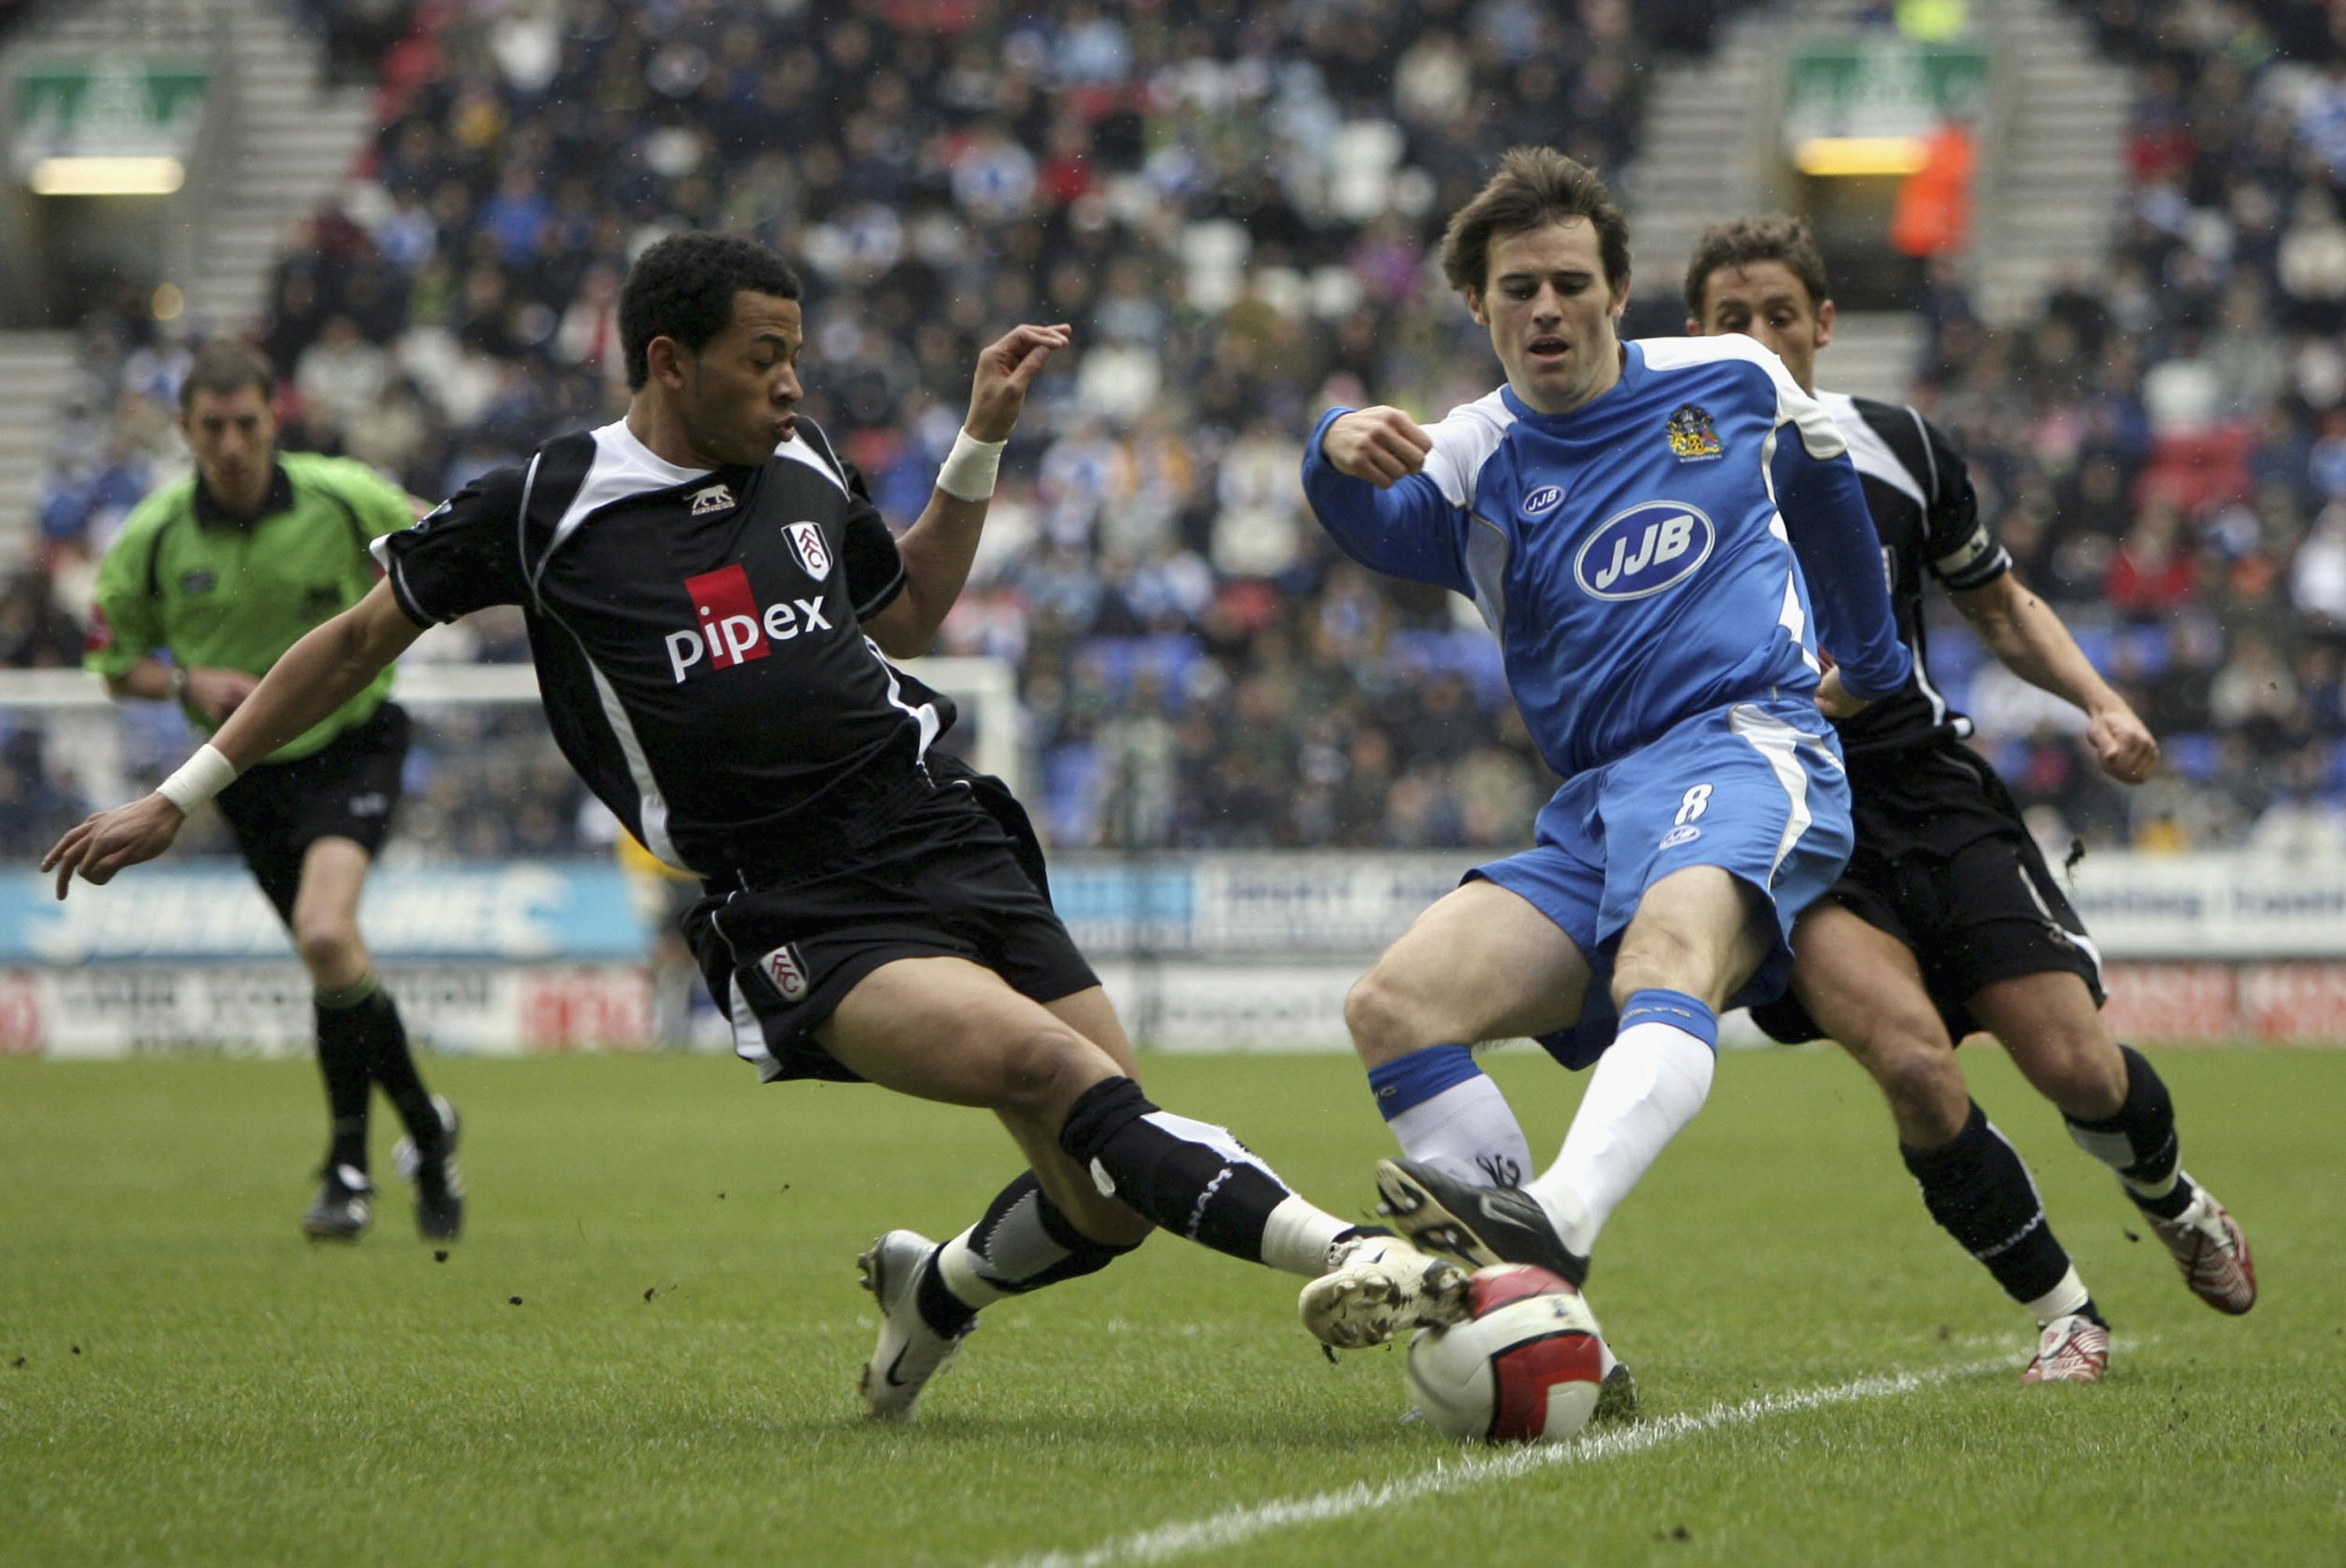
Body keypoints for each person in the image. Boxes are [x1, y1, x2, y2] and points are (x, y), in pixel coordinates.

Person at [45, 231, 1464, 1422]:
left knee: (1108, 1197)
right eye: (762, 357)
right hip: (798, 904)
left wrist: (980, 439)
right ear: (669, 361)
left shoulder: (801, 459)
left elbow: (906, 612)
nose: (791, 384)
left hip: (944, 826)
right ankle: (1359, 1255)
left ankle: (938, 1290)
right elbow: (354, 643)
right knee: (1053, 1074)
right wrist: (178, 799)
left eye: (797, 355)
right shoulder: (544, 504)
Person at [1296, 149, 1912, 1376]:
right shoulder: (1473, 454)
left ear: (1618, 292)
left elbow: (1824, 477)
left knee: (1662, 958)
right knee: (1396, 1006)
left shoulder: (1731, 376)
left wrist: (1876, 660)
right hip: (1595, 804)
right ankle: (1532, 1321)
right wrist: (1331, 445)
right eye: (1516, 288)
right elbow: (1374, 524)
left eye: (1570, 283)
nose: (1545, 310)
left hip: (1742, 742)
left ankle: (1554, 1230)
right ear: (1477, 306)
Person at [1683, 213, 2255, 1382]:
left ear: (1824, 326)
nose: (1756, 335)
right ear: (1693, 336)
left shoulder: (1897, 444)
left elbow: (1998, 605)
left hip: (1928, 791)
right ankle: (2066, 1314)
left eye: (1778, 314)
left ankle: (2169, 1194)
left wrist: (2100, 701)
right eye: (1730, 319)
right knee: (1912, 1065)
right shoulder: (1658, 477)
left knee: (2080, 1071)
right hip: (1787, 820)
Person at [80, 339, 461, 1244]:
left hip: (354, 743)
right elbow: (112, 659)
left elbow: (446, 541)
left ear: (272, 419)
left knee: (324, 932)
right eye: (212, 427)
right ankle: (428, 1129)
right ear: (184, 430)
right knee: (334, 958)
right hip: (245, 771)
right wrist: (184, 682)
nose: (233, 443)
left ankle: (346, 1169)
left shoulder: (342, 494)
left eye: (247, 423)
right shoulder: (152, 536)